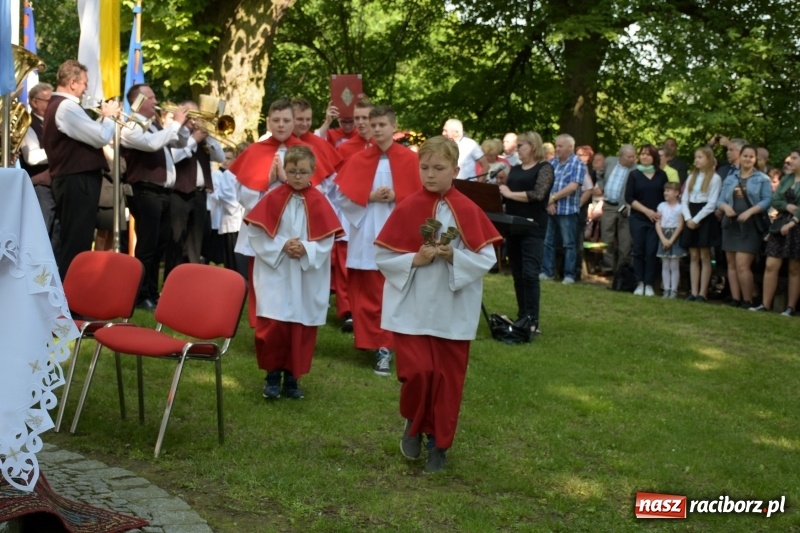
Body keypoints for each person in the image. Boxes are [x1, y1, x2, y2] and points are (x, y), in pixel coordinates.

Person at [374, 135, 501, 473]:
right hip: (412, 304)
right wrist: (413, 259)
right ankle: (414, 422)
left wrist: (453, 255)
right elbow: (383, 255)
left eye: (438, 168)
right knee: (417, 372)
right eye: (424, 167)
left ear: (456, 170)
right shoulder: (407, 207)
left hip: (452, 306)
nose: (430, 175)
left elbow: (485, 257)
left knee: (447, 378)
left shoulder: (469, 210)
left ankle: (439, 445)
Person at [245, 146, 343, 399]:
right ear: (284, 171)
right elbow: (256, 232)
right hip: (277, 272)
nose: (297, 176)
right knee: (274, 325)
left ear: (313, 171)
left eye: (302, 172)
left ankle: (292, 377)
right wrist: (282, 245)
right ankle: (271, 375)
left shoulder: (321, 201)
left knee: (301, 326)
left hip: (305, 274)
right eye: (292, 171)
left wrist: (308, 249)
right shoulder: (272, 197)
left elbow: (327, 240)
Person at [335, 105, 420, 376]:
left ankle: (388, 344)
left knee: (392, 290)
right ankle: (374, 342)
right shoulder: (359, 159)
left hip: (397, 232)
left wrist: (397, 195)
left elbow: (421, 197)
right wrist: (370, 196)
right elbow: (342, 197)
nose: (379, 129)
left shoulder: (409, 159)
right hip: (367, 232)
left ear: (394, 127)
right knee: (368, 292)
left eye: (384, 124)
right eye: (375, 125)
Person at [41, 60, 120, 279]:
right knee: (77, 241)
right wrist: (110, 117)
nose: (86, 88)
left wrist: (103, 119)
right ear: (73, 83)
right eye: (84, 83)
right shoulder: (66, 107)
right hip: (77, 180)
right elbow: (100, 137)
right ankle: (71, 301)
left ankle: (67, 297)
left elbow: (89, 134)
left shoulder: (62, 106)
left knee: (74, 239)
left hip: (73, 179)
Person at [120, 84, 190, 310]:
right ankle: (139, 295)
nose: (155, 100)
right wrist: (176, 123)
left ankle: (151, 291)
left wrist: (185, 126)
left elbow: (179, 142)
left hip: (163, 192)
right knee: (147, 246)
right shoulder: (131, 124)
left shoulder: (154, 125)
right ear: (137, 101)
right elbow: (150, 145)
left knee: (160, 244)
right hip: (146, 190)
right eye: (150, 97)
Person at [498, 132, 553, 335]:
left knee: (530, 274)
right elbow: (507, 196)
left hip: (533, 227)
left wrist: (510, 193)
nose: (518, 148)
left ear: (533, 146)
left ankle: (532, 320)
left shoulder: (544, 168)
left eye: (521, 145)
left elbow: (538, 194)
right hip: (513, 227)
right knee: (518, 274)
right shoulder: (516, 169)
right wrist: (502, 188)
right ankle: (522, 316)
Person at [165, 100, 226, 279]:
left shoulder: (204, 137)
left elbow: (220, 156)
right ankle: (171, 281)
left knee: (195, 242)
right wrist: (194, 140)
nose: (195, 120)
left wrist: (208, 137)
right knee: (176, 241)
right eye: (191, 116)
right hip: (179, 193)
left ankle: (191, 281)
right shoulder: (176, 134)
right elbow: (173, 157)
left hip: (200, 194)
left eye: (197, 116)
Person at [716, 145, 771, 308]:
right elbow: (720, 200)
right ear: (739, 157)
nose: (747, 159)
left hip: (750, 226)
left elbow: (767, 200)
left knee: (742, 265)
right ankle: (736, 298)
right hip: (731, 224)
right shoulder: (731, 178)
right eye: (745, 156)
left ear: (755, 159)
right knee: (731, 264)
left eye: (751, 157)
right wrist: (725, 208)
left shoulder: (762, 178)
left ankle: (748, 300)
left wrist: (750, 212)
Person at [750, 148, 800, 315]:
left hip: (796, 227)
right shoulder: (786, 179)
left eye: (794, 158)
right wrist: (787, 206)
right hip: (780, 224)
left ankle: (790, 307)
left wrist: (793, 221)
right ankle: (765, 304)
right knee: (771, 264)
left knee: (794, 268)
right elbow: (775, 199)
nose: (790, 161)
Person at [626, 144, 669, 296]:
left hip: (656, 220)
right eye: (642, 154)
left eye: (648, 154)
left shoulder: (661, 175)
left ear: (654, 158)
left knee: (651, 251)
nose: (644, 157)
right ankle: (639, 283)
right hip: (638, 218)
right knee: (638, 250)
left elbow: (666, 196)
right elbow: (629, 198)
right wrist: (646, 211)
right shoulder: (634, 175)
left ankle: (649, 283)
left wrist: (656, 213)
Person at [19, 82, 58, 252]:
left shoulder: (55, 122)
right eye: (49, 101)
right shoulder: (27, 124)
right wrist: (61, 152)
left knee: (57, 234)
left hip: (57, 185)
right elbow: (32, 157)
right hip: (40, 187)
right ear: (34, 102)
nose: (53, 105)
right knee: (40, 233)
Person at [540, 134, 584, 284]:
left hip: (568, 210)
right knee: (548, 241)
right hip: (551, 208)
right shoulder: (551, 163)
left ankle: (569, 275)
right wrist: (549, 202)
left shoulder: (577, 164)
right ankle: (547, 272)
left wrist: (553, 198)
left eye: (560, 146)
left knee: (569, 244)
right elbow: (545, 185)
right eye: (556, 145)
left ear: (570, 147)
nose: (557, 149)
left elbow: (572, 187)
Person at [680, 146, 722, 302]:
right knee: (694, 255)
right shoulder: (691, 177)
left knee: (705, 255)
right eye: (695, 157)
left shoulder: (715, 178)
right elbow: (684, 199)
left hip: (704, 216)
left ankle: (703, 292)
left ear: (709, 159)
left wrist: (696, 220)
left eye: (700, 157)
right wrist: (688, 219)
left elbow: (711, 204)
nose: (696, 160)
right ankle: (694, 290)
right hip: (690, 213)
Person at [595, 144, 637, 275]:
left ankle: (622, 270)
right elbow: (599, 174)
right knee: (607, 239)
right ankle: (608, 268)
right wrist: (601, 186)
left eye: (633, 156)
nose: (632, 159)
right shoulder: (609, 162)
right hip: (608, 206)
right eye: (629, 157)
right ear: (621, 156)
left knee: (625, 241)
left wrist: (629, 205)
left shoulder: (636, 169)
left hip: (624, 208)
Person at [208, 145, 247, 278]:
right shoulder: (229, 174)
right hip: (232, 220)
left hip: (243, 221)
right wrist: (242, 204)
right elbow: (224, 194)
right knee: (232, 257)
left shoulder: (246, 172)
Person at [655, 182, 686, 298]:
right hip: (663, 235)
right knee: (665, 264)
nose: (665, 193)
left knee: (674, 264)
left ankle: (674, 290)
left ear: (677, 193)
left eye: (668, 191)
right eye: (665, 190)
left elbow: (680, 225)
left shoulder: (680, 207)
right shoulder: (661, 206)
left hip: (674, 236)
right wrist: (663, 239)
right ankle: (666, 289)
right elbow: (657, 223)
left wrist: (671, 240)